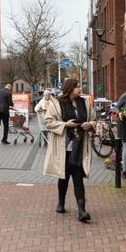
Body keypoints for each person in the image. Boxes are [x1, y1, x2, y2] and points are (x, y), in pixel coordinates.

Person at [42, 78, 96, 222]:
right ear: (70, 88)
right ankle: (61, 202)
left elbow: (94, 119)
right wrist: (65, 124)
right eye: (77, 87)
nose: (80, 89)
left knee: (78, 177)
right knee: (64, 176)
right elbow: (48, 122)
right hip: (63, 147)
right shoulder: (57, 103)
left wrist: (89, 124)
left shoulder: (84, 103)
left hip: (79, 147)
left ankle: (82, 210)